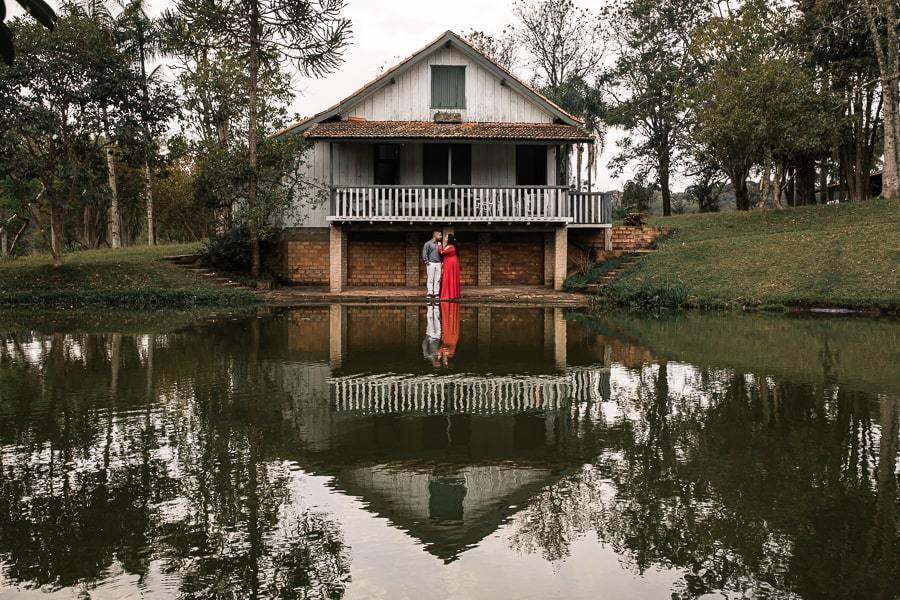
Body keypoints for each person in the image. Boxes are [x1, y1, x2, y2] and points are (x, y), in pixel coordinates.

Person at [439, 234, 461, 301]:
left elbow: (442, 252)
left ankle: (448, 294)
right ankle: (451, 293)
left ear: (449, 239)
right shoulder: (450, 246)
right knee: (449, 277)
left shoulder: (451, 247)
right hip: (450, 263)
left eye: (446, 237)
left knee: (448, 277)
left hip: (450, 264)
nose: (445, 238)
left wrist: (439, 245)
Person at [422, 230, 443, 300]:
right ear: (435, 235)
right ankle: (430, 292)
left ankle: (436, 293)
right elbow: (424, 254)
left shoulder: (440, 244)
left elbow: (442, 253)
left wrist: (442, 262)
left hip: (438, 263)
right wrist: (427, 263)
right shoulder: (428, 244)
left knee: (438, 279)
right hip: (431, 263)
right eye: (439, 235)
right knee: (430, 278)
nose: (441, 236)